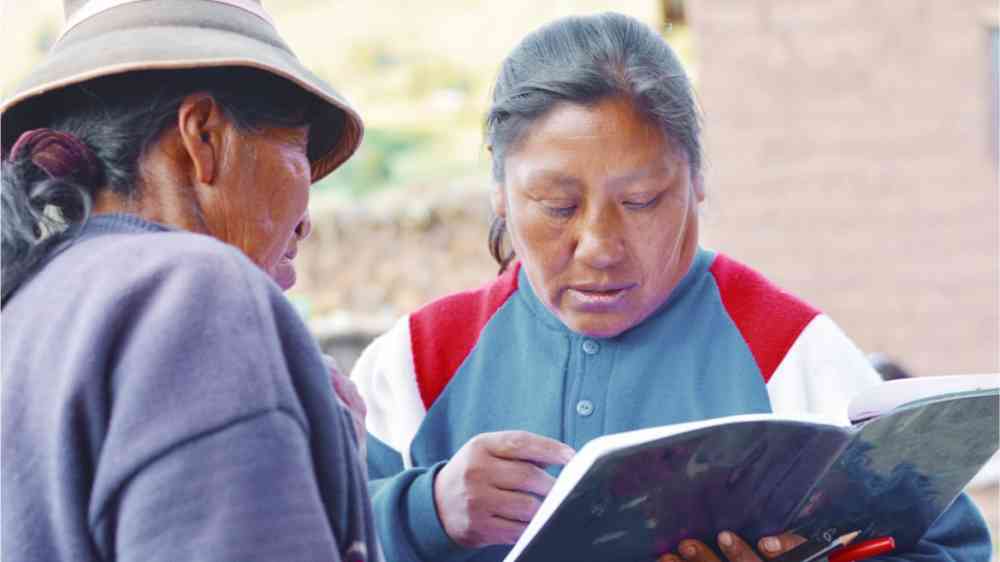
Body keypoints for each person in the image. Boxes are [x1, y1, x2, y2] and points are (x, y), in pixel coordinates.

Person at [350, 12, 992, 562]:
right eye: (556, 205)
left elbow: (958, 548)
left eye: (642, 199)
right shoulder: (415, 363)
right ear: (499, 194)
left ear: (698, 182)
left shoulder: (790, 352)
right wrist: (425, 511)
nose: (600, 247)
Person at [1, 1, 378, 561]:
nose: (306, 219)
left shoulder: (29, 303)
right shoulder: (193, 293)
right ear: (203, 137)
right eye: (297, 149)